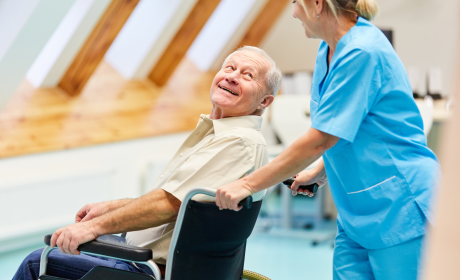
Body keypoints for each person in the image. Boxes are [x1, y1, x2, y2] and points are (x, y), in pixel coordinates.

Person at [13, 46, 282, 280]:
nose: (232, 77)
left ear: (264, 101)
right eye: (229, 68)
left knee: (38, 262)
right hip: (144, 259)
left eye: (247, 75)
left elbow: (169, 204)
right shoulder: (222, 136)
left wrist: (91, 227)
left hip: (147, 268)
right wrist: (111, 208)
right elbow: (177, 199)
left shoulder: (238, 142)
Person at [216, 1, 441, 279]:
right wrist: (320, 171)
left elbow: (320, 139)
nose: (294, 11)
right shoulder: (329, 49)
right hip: (355, 213)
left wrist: (247, 184)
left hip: (400, 207)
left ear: (318, 5)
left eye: (296, 3)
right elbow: (347, 126)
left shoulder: (363, 51)